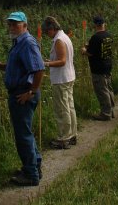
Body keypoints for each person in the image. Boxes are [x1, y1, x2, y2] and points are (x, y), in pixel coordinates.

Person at [0, 12, 45, 186]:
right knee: (26, 132)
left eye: (16, 24)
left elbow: (39, 69)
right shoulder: (19, 43)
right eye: (10, 24)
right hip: (21, 92)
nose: (12, 27)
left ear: (25, 25)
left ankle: (30, 175)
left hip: (23, 94)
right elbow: (20, 67)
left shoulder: (27, 43)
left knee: (23, 135)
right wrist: (2, 66)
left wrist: (31, 92)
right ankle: (34, 167)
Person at [43, 16, 77, 149]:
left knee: (62, 109)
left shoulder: (58, 40)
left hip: (61, 79)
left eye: (47, 31)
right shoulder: (65, 37)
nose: (47, 34)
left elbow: (62, 61)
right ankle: (72, 134)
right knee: (69, 106)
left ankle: (64, 138)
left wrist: (46, 63)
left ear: (52, 28)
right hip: (68, 76)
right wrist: (51, 61)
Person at [83, 15, 115, 120]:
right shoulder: (108, 35)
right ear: (104, 24)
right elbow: (100, 48)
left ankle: (105, 113)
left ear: (95, 25)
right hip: (108, 65)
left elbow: (90, 53)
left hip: (98, 67)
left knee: (102, 90)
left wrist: (84, 50)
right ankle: (111, 110)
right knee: (109, 88)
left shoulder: (95, 37)